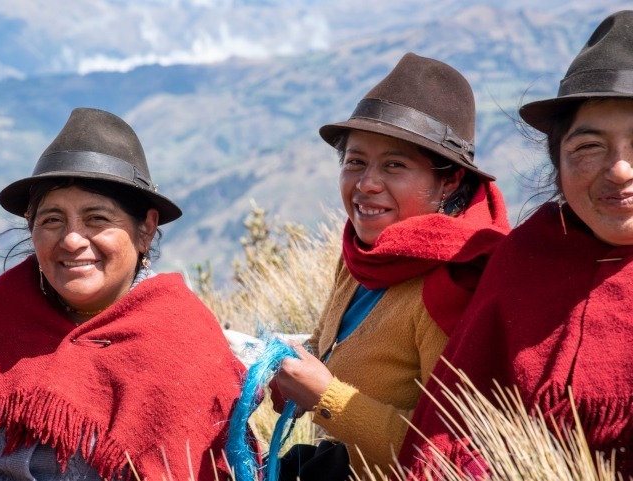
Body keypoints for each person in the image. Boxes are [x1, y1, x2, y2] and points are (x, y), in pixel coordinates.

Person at [0, 108, 244, 481]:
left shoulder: (184, 338)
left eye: (96, 219)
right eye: (52, 220)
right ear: (31, 227)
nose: (71, 240)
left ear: (145, 230)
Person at [399, 10, 633, 478]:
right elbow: (450, 433)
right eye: (589, 147)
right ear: (558, 161)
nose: (620, 170)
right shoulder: (525, 261)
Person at [268, 52, 510, 479]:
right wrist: (288, 367)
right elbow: (334, 342)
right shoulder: (367, 255)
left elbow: (451, 455)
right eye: (355, 162)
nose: (366, 184)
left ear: (450, 179)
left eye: (395, 165)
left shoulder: (454, 284)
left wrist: (325, 397)